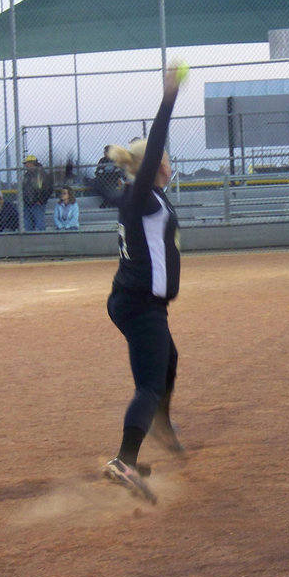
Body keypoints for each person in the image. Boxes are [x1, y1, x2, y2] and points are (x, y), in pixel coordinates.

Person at [103, 63, 186, 501]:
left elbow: (107, 193)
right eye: (164, 161)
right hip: (139, 304)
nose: (168, 164)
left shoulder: (142, 196)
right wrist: (169, 95)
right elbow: (155, 142)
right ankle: (125, 460)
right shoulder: (141, 192)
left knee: (168, 360)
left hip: (130, 300)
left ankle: (159, 421)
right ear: (155, 166)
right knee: (149, 385)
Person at [23, 154, 53, 231]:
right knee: (28, 225)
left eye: (27, 163)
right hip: (27, 203)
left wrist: (41, 200)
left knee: (39, 224)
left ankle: (42, 239)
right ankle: (30, 241)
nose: (26, 165)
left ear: (32, 163)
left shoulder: (41, 174)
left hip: (37, 204)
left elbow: (49, 189)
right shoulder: (26, 175)